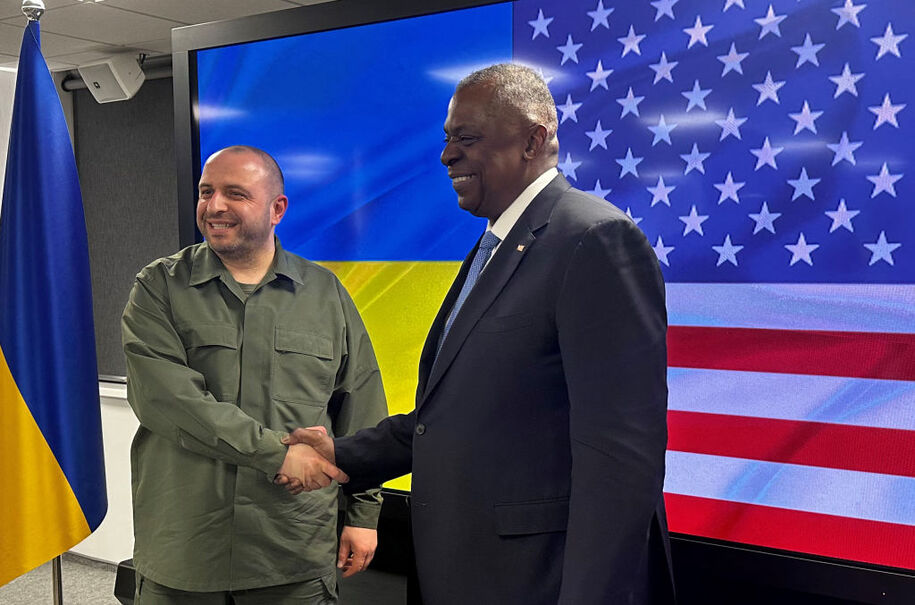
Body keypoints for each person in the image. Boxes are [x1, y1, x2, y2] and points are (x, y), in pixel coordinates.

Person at [286, 63, 675, 604]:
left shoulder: (595, 240)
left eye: (466, 139)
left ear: (534, 139)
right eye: (447, 140)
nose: (447, 156)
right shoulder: (497, 244)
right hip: (466, 572)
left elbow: (620, 461)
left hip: (534, 581)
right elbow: (448, 417)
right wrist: (342, 453)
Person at [121, 145, 388, 604]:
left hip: (292, 551)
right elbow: (169, 400)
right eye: (207, 192)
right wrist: (277, 455)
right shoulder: (158, 287)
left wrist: (364, 514)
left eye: (235, 193)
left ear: (276, 208)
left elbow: (360, 407)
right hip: (185, 556)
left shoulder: (325, 294)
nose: (215, 205)